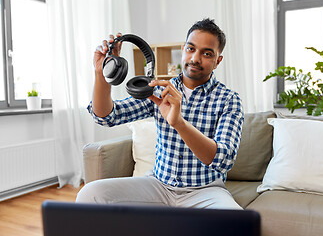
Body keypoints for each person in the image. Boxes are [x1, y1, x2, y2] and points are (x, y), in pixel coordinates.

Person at [76, 18, 244, 209]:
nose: (195, 58)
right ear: (183, 50)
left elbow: (223, 159)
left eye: (206, 53)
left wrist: (179, 123)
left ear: (217, 61)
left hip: (206, 191)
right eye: (191, 49)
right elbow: (107, 116)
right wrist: (101, 74)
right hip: (158, 186)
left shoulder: (229, 99)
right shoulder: (158, 90)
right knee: (90, 194)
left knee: (237, 221)